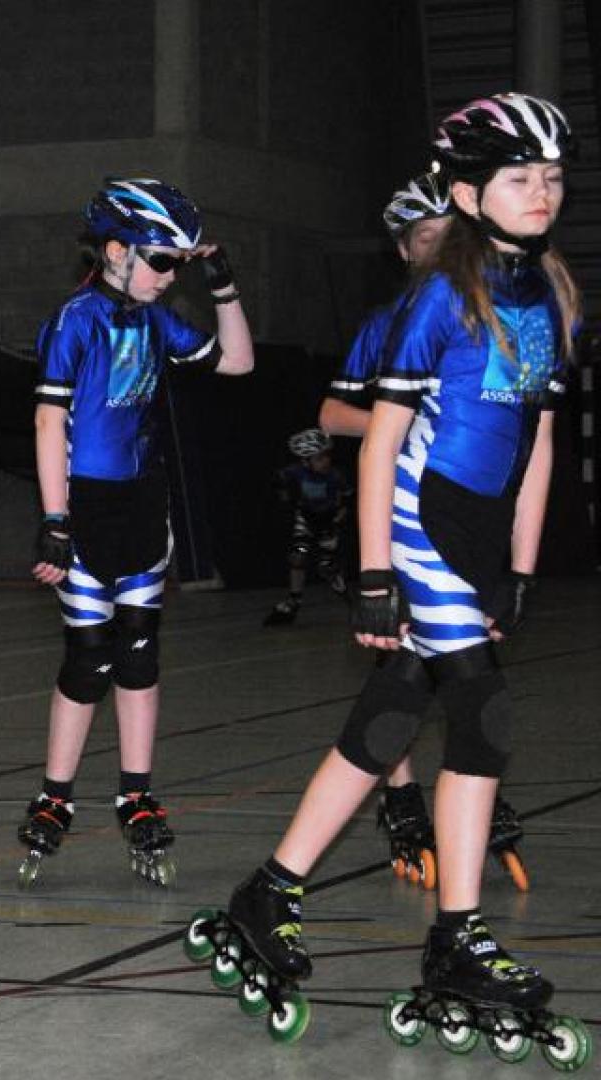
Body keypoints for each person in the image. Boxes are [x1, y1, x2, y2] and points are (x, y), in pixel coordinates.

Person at [199, 93, 580, 1053]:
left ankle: (270, 890)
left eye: (552, 177)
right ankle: (458, 936)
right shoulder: (439, 299)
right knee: (483, 711)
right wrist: (375, 573)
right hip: (420, 520)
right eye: (518, 177)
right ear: (468, 194)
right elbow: (379, 442)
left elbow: (538, 443)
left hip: (483, 531)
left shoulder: (550, 296)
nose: (541, 192)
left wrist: (521, 565)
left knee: (395, 711)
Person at [19, 177, 255, 889]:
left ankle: (136, 792)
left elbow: (238, 362)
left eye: (179, 264)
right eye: (162, 261)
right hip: (85, 505)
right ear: (117, 251)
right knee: (89, 658)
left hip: (143, 502)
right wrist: (55, 519)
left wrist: (222, 285)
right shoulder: (76, 320)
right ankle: (55, 795)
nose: (171, 275)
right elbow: (49, 421)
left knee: (140, 652)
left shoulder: (156, 320)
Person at [318, 173, 525, 890]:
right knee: (410, 660)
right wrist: (401, 425)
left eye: (450, 237)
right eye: (427, 239)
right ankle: (404, 794)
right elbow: (331, 415)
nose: (441, 250)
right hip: (397, 510)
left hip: (461, 512)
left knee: (429, 661)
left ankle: (466, 780)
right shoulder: (388, 323)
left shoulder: (491, 313)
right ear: (406, 250)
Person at [261, 428, 351, 627]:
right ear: (305, 462)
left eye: (326, 456)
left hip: (329, 520)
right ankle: (294, 601)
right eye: (319, 459)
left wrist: (336, 522)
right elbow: (278, 479)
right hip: (307, 518)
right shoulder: (295, 472)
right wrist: (285, 497)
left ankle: (352, 604)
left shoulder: (335, 476)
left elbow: (346, 503)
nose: (325, 462)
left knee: (326, 568)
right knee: (298, 555)